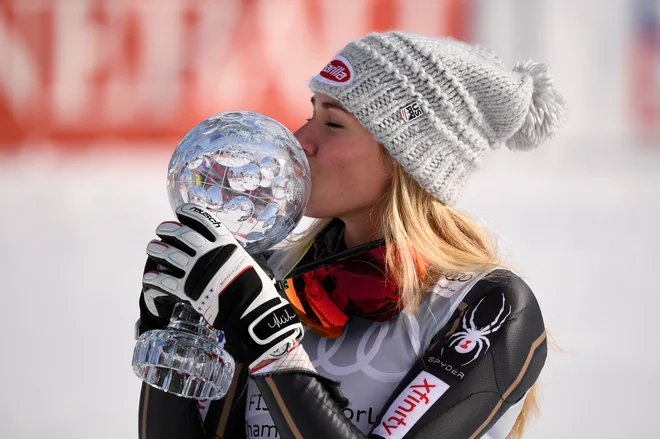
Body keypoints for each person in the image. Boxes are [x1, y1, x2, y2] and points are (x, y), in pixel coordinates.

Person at [136, 30, 567, 439]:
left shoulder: (487, 308)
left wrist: (275, 349)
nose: (301, 139)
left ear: (404, 159)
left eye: (333, 124)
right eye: (311, 114)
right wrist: (172, 338)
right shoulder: (269, 275)